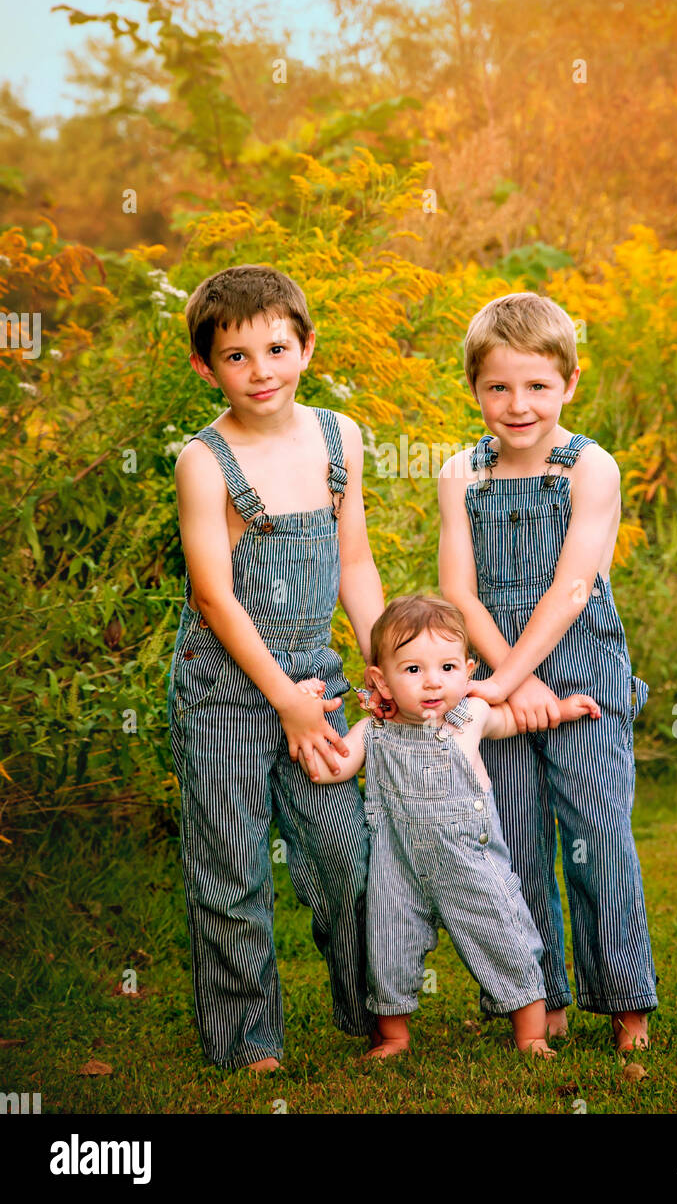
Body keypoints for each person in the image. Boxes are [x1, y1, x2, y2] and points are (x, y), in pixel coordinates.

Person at [167, 264, 384, 1071]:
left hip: (313, 678)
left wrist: (379, 663)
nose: (260, 371)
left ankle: (373, 1015)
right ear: (204, 366)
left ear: (306, 347)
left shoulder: (339, 438)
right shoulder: (204, 461)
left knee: (345, 856)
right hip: (225, 689)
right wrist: (284, 706)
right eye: (235, 356)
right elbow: (216, 601)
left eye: (276, 348)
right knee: (231, 872)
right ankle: (248, 1042)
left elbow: (354, 563)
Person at [437, 291, 658, 1053]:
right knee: (512, 837)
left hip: (583, 666)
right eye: (497, 387)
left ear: (568, 382)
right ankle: (540, 998)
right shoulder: (459, 472)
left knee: (597, 831)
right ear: (474, 390)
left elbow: (572, 587)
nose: (517, 404)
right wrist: (508, 680)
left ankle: (626, 1002)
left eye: (535, 385)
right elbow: (459, 594)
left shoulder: (589, 467)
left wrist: (510, 679)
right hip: (501, 665)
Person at [300, 594, 601, 1059]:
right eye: (413, 670)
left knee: (504, 934)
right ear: (380, 680)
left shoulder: (470, 716)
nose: (433, 682)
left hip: (470, 859)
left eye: (447, 667)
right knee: (388, 944)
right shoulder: (372, 732)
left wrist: (560, 710)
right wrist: (310, 718)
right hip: (396, 862)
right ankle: (395, 1036)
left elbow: (514, 720)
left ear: (468, 669)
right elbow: (329, 770)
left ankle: (532, 1036)